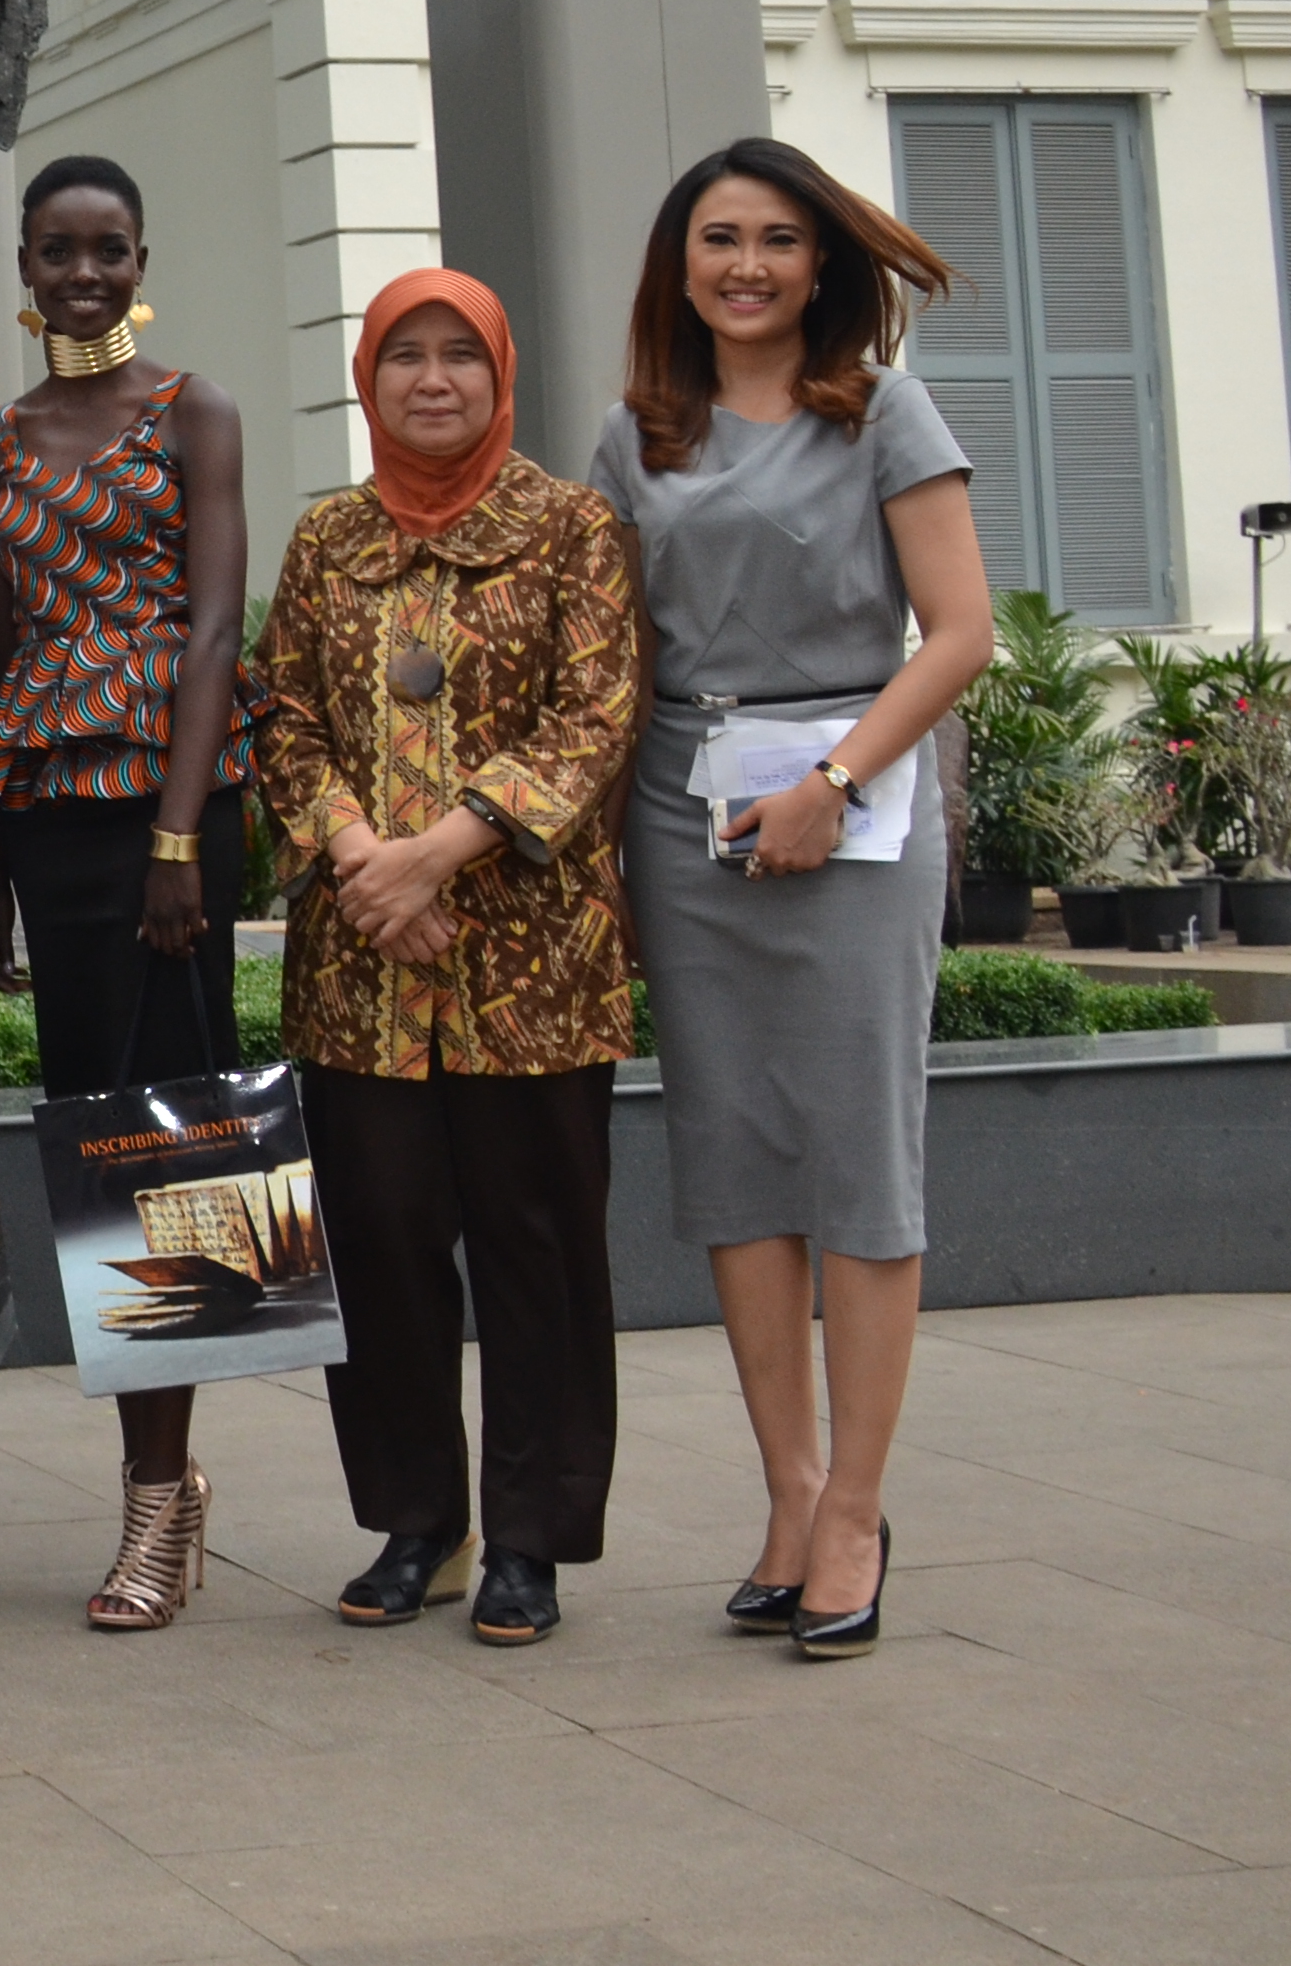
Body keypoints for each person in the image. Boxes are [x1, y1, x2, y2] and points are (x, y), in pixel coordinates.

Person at [589, 140, 983, 1660]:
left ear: (821, 265)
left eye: (773, 241)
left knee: (860, 1162)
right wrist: (614, 850)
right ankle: (789, 1490)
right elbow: (618, 659)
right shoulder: (642, 433)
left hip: (856, 798)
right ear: (676, 267)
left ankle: (858, 1509)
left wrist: (836, 781)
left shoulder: (882, 410)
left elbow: (957, 631)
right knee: (737, 1162)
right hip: (690, 807)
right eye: (715, 241)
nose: (743, 266)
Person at [257, 268, 645, 1649]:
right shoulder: (326, 540)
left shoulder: (572, 529)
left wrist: (438, 857)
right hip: (361, 966)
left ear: (501, 372)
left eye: (457, 357)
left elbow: (595, 720)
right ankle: (419, 1516)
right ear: (368, 381)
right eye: (404, 357)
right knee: (380, 1245)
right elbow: (281, 712)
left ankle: (530, 1538)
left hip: (533, 966)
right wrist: (363, 855)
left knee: (537, 1250)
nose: (433, 380)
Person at [0, 151, 248, 1634]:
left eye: (110, 250)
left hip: (170, 817)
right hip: (53, 827)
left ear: (143, 259)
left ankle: (156, 1500)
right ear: (26, 262)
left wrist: (183, 842)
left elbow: (212, 631)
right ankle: (165, 1485)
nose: (85, 274)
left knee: (171, 1159)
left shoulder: (192, 409)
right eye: (60, 251)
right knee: (96, 1162)